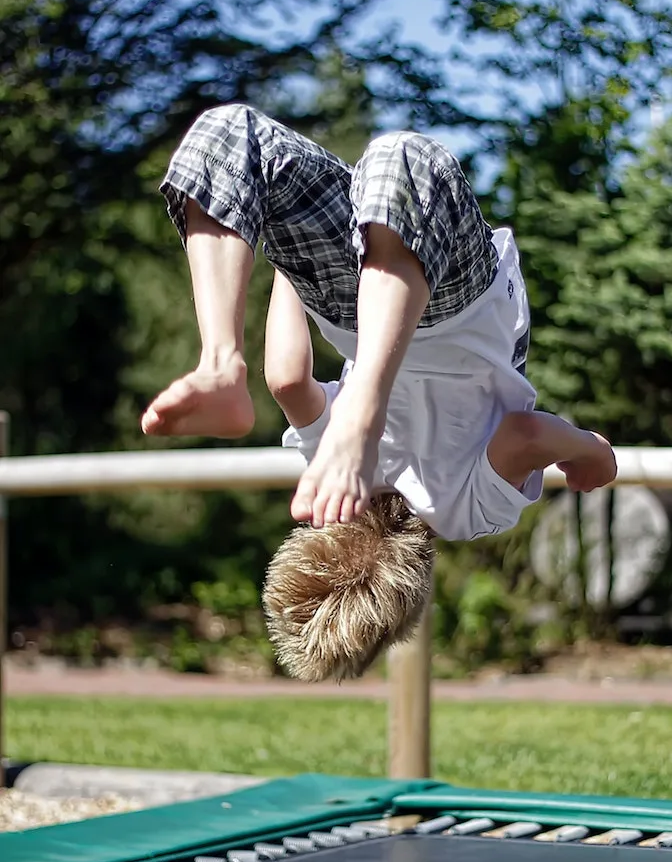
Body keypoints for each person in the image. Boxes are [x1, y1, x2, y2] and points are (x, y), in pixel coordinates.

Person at [142, 104, 617, 680]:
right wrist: (291, 256)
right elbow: (287, 379)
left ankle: (247, 366)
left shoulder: (463, 511)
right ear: (318, 531)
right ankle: (220, 361)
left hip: (456, 309)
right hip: (365, 307)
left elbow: (527, 433)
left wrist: (592, 452)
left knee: (404, 162)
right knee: (230, 139)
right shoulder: (329, 466)